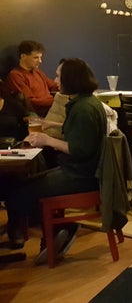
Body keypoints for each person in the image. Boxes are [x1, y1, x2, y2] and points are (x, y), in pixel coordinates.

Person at [3, 58, 107, 264]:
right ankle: (56, 233)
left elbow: (80, 149)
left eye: (59, 76)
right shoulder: (85, 102)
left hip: (81, 176)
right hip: (81, 171)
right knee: (24, 184)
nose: (56, 80)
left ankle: (63, 228)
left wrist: (47, 139)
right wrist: (51, 124)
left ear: (71, 78)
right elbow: (80, 135)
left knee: (17, 196)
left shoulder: (83, 109)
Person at [5, 40, 59, 117]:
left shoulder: (37, 71)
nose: (40, 61)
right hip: (40, 114)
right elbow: (30, 102)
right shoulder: (16, 75)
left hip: (52, 109)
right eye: (35, 58)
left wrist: (67, 89)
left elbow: (52, 85)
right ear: (23, 56)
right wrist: (55, 102)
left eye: (40, 57)